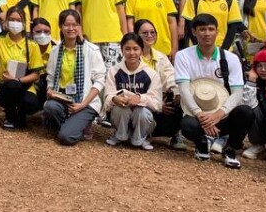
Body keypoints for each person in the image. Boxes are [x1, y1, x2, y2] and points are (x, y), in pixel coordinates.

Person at [174, 13, 253, 169]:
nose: (207, 33)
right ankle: (201, 143)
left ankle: (230, 148)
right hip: (196, 113)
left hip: (222, 113)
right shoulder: (183, 56)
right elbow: (184, 89)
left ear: (217, 31)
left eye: (211, 29)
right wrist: (201, 115)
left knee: (246, 113)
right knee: (187, 124)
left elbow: (237, 92)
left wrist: (218, 115)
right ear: (194, 31)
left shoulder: (230, 58)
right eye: (202, 29)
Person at [42, 9, 105, 146]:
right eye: (66, 25)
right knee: (49, 107)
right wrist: (50, 89)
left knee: (66, 138)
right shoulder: (55, 51)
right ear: (60, 27)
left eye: (75, 25)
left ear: (80, 27)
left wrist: (83, 104)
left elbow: (100, 81)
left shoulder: (91, 50)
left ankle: (75, 125)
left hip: (85, 101)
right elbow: (51, 77)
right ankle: (75, 125)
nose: (71, 28)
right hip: (63, 99)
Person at [103, 32, 164, 150]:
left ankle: (140, 138)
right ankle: (120, 135)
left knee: (140, 112)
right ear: (122, 50)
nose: (132, 53)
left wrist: (140, 99)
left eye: (135, 49)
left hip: (142, 117)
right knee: (121, 109)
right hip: (120, 114)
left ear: (141, 50)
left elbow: (157, 104)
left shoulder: (151, 74)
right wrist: (114, 99)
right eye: (127, 49)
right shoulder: (113, 71)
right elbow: (107, 98)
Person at [133, 19, 184, 149]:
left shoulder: (161, 57)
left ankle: (175, 134)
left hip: (158, 99)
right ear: (136, 35)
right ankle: (138, 133)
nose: (150, 36)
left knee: (181, 97)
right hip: (139, 101)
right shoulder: (131, 56)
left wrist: (178, 93)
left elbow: (170, 77)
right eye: (145, 33)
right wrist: (157, 104)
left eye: (152, 32)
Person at [0, 5, 45, 130]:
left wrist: (17, 80)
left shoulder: (32, 45)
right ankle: (10, 116)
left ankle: (20, 115)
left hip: (25, 86)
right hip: (4, 87)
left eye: (18, 20)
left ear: (24, 23)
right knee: (11, 86)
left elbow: (36, 74)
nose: (15, 23)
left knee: (30, 103)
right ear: (6, 22)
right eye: (12, 19)